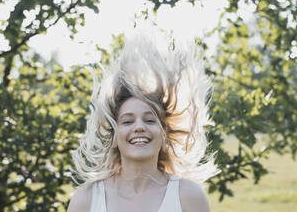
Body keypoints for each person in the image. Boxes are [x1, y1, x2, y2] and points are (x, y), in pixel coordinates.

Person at [67, 33, 220, 212]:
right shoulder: (86, 199)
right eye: (127, 121)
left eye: (149, 120)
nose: (139, 127)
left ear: (164, 134)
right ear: (114, 137)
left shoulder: (189, 196)